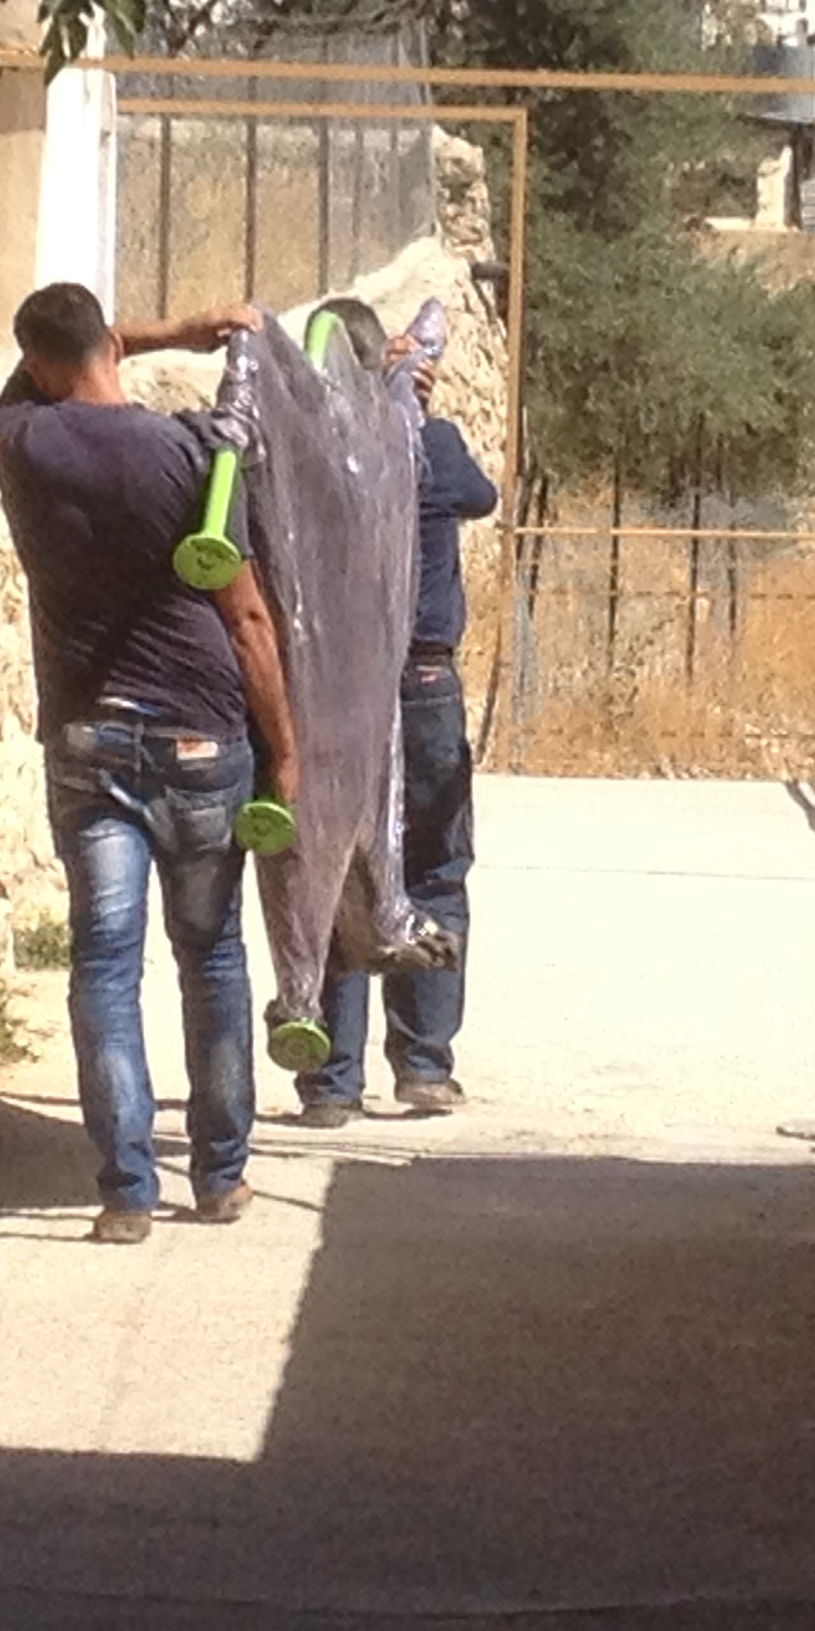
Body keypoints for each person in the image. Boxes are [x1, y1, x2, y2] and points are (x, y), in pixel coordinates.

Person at [0, 283, 298, 1244]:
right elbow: (246, 617)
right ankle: (219, 1176)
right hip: (203, 735)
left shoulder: (21, 444)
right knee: (210, 956)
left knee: (104, 966)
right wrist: (283, 753)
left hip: (87, 741)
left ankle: (125, 1194)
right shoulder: (194, 456)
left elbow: (54, 364)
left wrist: (164, 329)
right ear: (111, 354)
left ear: (38, 362)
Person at [298, 321, 500, 1126]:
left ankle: (331, 1081)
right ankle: (421, 1064)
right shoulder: (431, 444)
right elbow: (480, 497)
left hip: (338, 684)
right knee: (433, 870)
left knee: (339, 872)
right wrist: (412, 413)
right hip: (422, 681)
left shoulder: (313, 450)